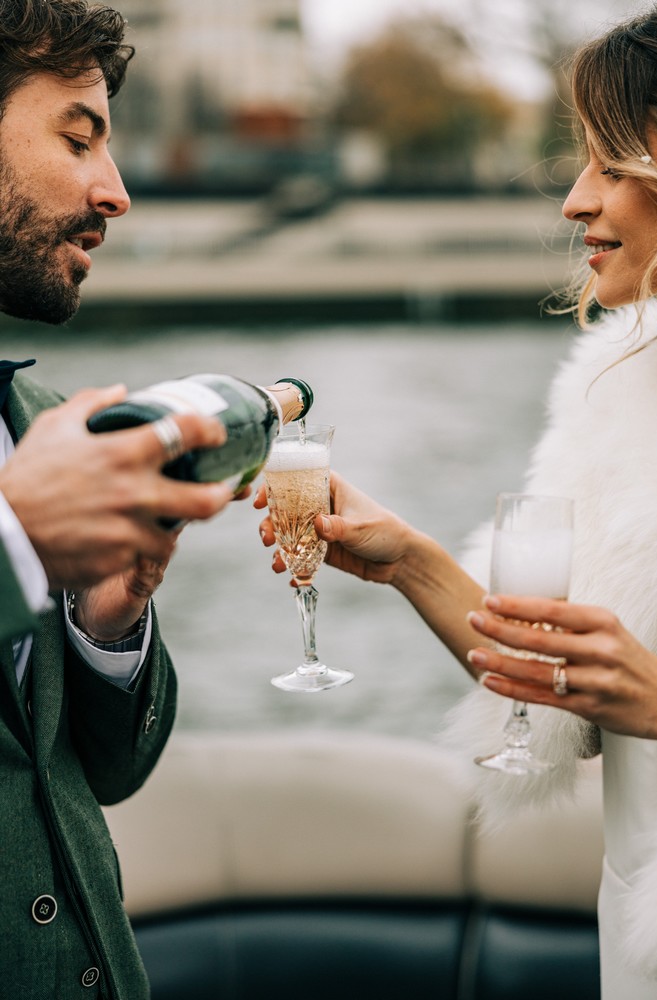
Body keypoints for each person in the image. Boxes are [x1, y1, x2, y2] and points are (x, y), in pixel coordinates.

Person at [256, 4, 657, 997]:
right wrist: (405, 561)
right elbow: (543, 677)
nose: (574, 202)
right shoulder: (616, 390)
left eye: (609, 165)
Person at [0, 2, 236, 997]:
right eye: (78, 135)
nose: (117, 191)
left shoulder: (43, 419)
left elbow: (102, 773)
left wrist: (111, 622)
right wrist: (17, 540)